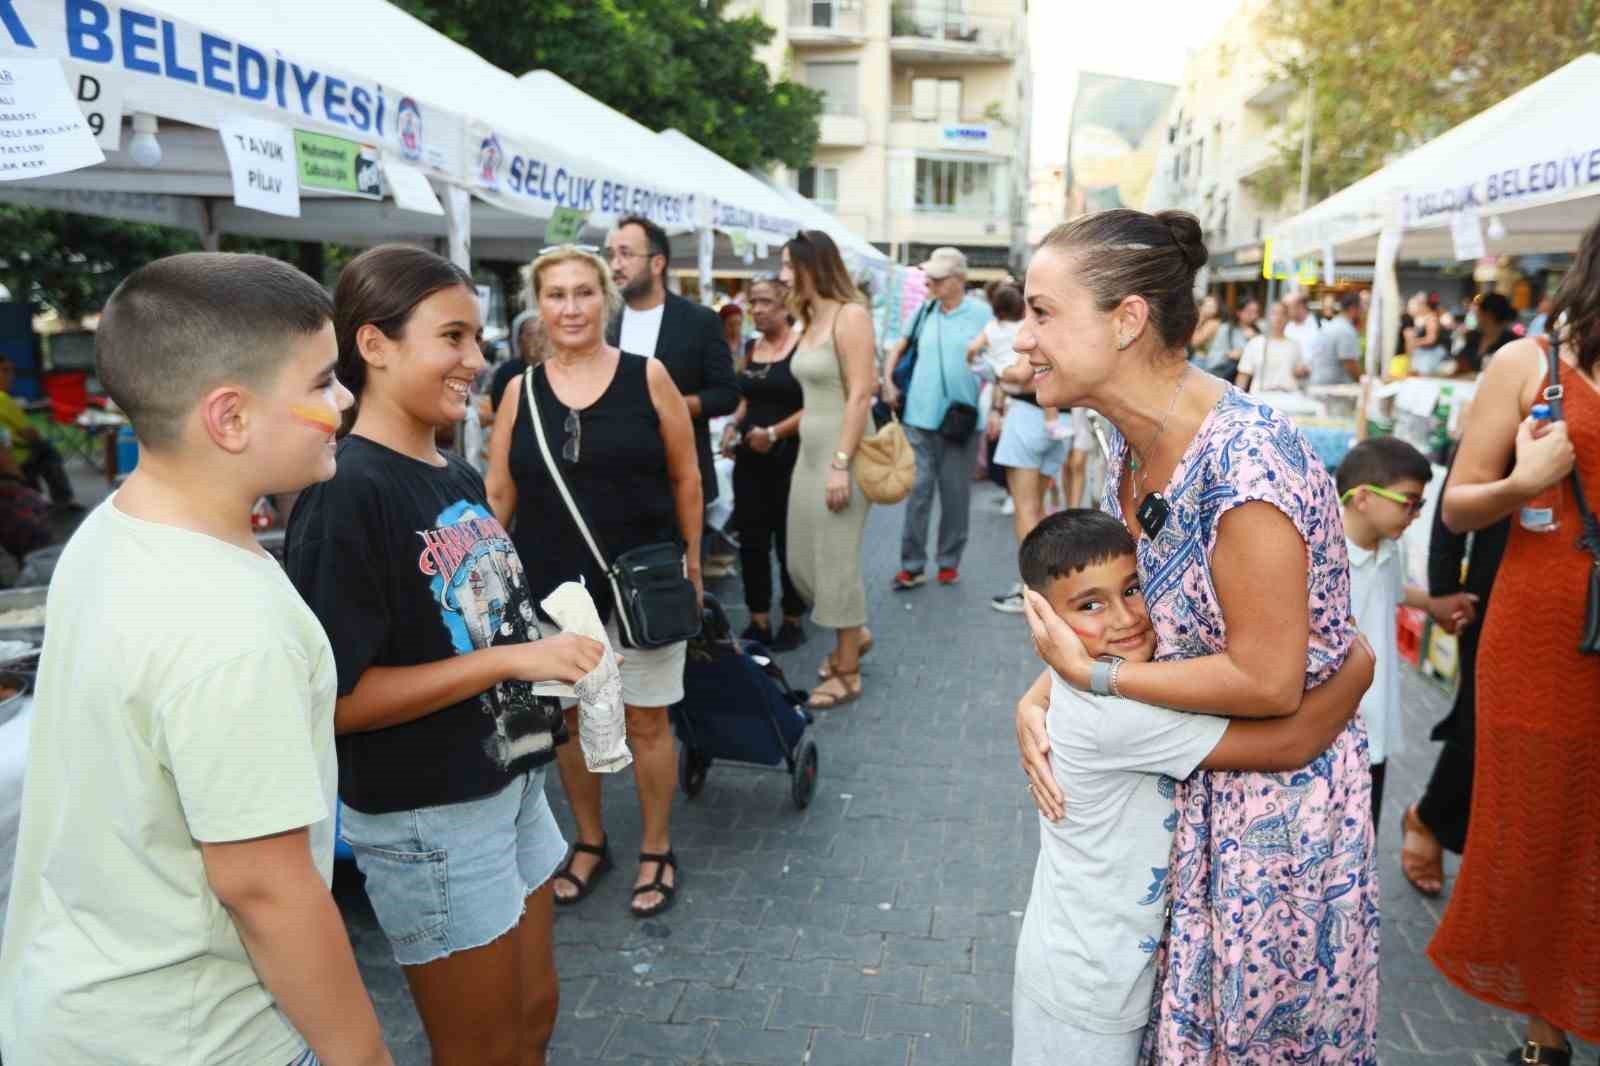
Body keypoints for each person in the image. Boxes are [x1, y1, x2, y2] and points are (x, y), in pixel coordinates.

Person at [0, 253, 391, 1064]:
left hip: (80, 1013)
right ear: (231, 419)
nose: (347, 398)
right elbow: (265, 890)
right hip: (197, 1038)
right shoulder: (230, 626)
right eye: (322, 382)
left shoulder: (113, 528)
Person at [1012, 208, 1378, 1064]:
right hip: (1187, 786)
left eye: (1041, 312)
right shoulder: (1129, 440)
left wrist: (1092, 686)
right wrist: (1042, 692)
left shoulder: (1245, 469)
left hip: (1272, 830)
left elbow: (1268, 682)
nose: (1023, 340)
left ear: (1127, 319)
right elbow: (1135, 616)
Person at [287, 245, 602, 1066]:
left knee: (533, 1018)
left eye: (477, 337)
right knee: (481, 1050)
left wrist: (544, 642)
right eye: (452, 337)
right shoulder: (347, 489)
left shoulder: (448, 467)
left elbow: (472, 620)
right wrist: (507, 665)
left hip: (510, 785)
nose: (477, 359)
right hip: (431, 817)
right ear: (374, 345)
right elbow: (336, 699)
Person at [1010, 509, 1371, 1064]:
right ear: (1042, 620)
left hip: (1097, 967)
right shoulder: (1114, 714)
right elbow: (1288, 745)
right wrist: (1358, 670)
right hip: (1084, 987)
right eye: (1091, 605)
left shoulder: (1107, 686)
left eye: (1133, 588)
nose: (1126, 616)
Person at [1427, 217, 1600, 1066]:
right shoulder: (1528, 364)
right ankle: (1547, 1031)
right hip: (1543, 635)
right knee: (1545, 821)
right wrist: (1528, 480)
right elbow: (1458, 504)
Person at [486, 245, 702, 919]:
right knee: (570, 723)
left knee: (645, 721)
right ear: (539, 304)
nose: (571, 307)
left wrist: (690, 567)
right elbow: (499, 492)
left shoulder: (649, 376)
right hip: (553, 590)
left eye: (584, 292)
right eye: (556, 294)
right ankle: (589, 840)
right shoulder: (519, 389)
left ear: (605, 298)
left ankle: (657, 849)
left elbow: (686, 477)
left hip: (640, 586)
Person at [1335, 437, 1479, 828]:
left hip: (1375, 727)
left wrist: (1436, 604)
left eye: (1421, 504)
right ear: (1363, 497)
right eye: (1408, 501)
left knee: (1366, 833)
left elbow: (1395, 592)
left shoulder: (1387, 547)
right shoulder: (1326, 556)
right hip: (1335, 734)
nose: (1415, 514)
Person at [1399, 446, 1509, 897]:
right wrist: (1444, 591)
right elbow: (1454, 504)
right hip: (1502, 590)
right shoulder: (1530, 381)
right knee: (1482, 719)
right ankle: (1430, 816)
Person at [780, 230, 877, 709]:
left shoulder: (850, 315)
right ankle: (854, 632)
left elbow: (860, 394)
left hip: (845, 454)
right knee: (801, 562)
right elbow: (814, 399)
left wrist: (841, 464)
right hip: (810, 453)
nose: (782, 276)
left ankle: (848, 671)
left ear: (811, 267)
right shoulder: (809, 318)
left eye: (786, 267)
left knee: (837, 561)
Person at [604, 215, 740, 509]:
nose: (615, 265)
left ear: (657, 263)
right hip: (615, 482)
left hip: (681, 481)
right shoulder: (605, 321)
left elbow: (727, 395)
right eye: (611, 255)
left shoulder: (698, 320)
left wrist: (670, 405)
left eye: (626, 254)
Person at [880, 246, 992, 588]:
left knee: (955, 495)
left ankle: (948, 561)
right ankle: (912, 565)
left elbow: (1002, 355)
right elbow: (898, 347)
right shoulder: (925, 309)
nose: (930, 282)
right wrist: (887, 381)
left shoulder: (982, 313)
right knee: (918, 493)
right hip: (918, 418)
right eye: (930, 277)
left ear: (959, 279)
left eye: (938, 278)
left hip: (960, 422)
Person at [719, 276, 807, 649]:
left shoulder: (803, 349)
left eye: (765, 302)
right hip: (750, 462)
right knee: (752, 542)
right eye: (754, 302)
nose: (756, 309)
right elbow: (745, 396)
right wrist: (732, 424)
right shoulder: (752, 348)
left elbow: (815, 406)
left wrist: (773, 433)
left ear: (786, 304)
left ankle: (791, 617)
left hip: (790, 460)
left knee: (790, 544)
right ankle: (758, 619)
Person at [979, 283, 1070, 614]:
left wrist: (997, 369)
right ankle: (1044, 587)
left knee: (1026, 511)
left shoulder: (1036, 334)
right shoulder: (1071, 331)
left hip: (1029, 418)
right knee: (1039, 509)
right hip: (1062, 421)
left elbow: (1021, 376)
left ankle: (1034, 591)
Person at [0, 358, 79, 508]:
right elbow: (29, 433)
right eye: (4, 370)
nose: (11, 376)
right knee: (47, 450)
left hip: (10, 453)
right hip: (13, 457)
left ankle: (36, 495)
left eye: (11, 370)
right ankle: (63, 499)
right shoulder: (2, 398)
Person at [1233, 299, 1305, 394]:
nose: (1278, 318)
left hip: (1289, 398)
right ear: (1268, 317)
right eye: (1274, 313)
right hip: (1261, 398)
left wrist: (1301, 372)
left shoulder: (1295, 345)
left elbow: (1299, 372)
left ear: (1288, 318)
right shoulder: (1255, 343)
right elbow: (1243, 377)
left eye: (1283, 314)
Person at [1454, 292, 1518, 374]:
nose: (1476, 315)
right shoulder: (1473, 337)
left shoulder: (1511, 342)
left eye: (1479, 311)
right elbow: (1460, 363)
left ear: (1488, 314)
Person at [1313, 291, 1365, 384]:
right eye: (1361, 309)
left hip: (1320, 384)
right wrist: (1362, 381)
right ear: (1353, 309)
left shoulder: (1332, 325)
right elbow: (1350, 363)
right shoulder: (1346, 330)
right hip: (1333, 389)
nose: (1363, 313)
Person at [1407, 291, 1447, 373]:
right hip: (1424, 354)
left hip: (1430, 354)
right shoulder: (1423, 318)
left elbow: (1431, 338)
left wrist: (1414, 342)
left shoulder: (1431, 318)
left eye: (1416, 305)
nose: (1414, 308)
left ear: (1423, 305)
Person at [1283, 291, 1323, 368]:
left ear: (1300, 306)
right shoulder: (1286, 326)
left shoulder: (1319, 325)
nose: (1285, 311)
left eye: (1287, 307)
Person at [1188, 295, 1221, 361]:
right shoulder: (1207, 322)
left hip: (1203, 360)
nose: (1211, 308)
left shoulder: (1213, 323)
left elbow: (1194, 342)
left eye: (1212, 306)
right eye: (1207, 306)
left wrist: (1200, 317)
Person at [718, 302, 746, 367]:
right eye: (731, 325)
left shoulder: (747, 343)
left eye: (739, 324)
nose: (735, 329)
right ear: (722, 324)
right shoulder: (717, 345)